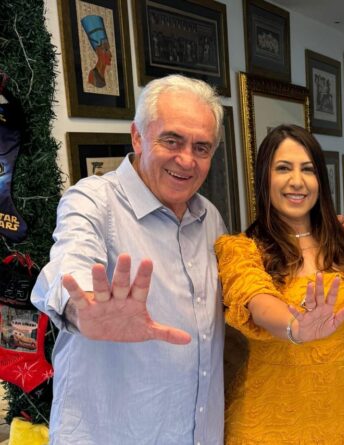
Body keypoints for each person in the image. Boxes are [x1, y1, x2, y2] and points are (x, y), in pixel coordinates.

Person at [31, 74, 226, 444]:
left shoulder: (209, 217)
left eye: (201, 147)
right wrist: (82, 310)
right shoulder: (94, 200)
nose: (186, 160)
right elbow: (68, 265)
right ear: (138, 136)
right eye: (172, 140)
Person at [215, 124, 344, 444]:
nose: (296, 181)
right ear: (264, 177)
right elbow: (258, 300)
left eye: (308, 169)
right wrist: (295, 327)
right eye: (283, 168)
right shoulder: (241, 250)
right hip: (269, 426)